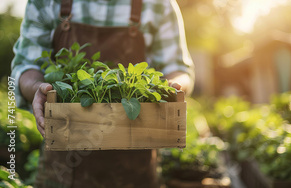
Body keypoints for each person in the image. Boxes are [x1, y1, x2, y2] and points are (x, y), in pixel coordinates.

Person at [10, 0, 194, 187]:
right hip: (62, 167)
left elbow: (177, 68)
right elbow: (27, 64)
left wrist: (171, 87)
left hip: (136, 169)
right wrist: (37, 87)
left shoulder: (158, 4)